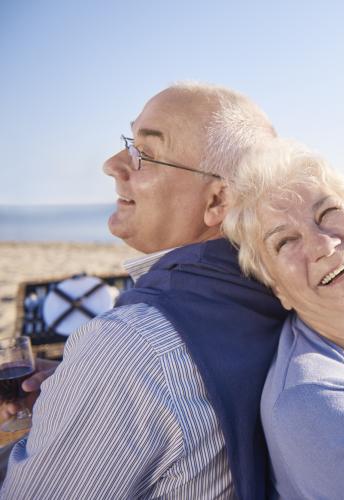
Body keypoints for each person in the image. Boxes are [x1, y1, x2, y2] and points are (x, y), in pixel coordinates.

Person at [1, 83, 287, 500]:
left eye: (145, 154)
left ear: (218, 200)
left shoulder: (131, 347)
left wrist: (99, 377)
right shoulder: (270, 298)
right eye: (128, 142)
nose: (112, 164)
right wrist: (74, 391)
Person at [223, 138, 344, 499]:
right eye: (285, 242)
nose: (322, 245)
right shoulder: (310, 402)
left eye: (327, 214)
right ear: (276, 287)